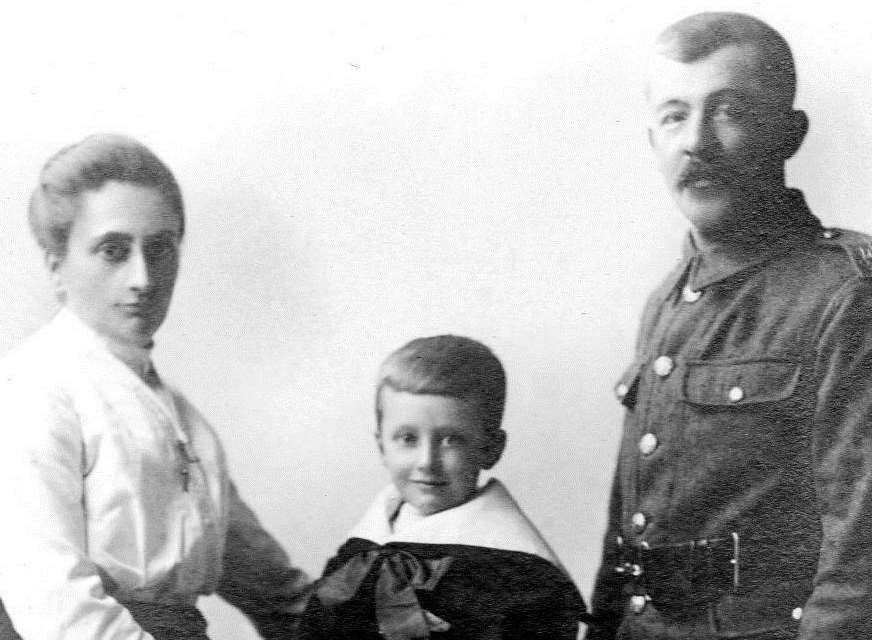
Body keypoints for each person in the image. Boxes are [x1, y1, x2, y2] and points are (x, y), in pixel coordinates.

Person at [587, 11, 872, 640]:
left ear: (789, 134)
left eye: (728, 111)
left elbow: (861, 563)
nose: (696, 141)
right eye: (673, 116)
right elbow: (626, 539)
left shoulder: (847, 294)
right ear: (651, 139)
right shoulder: (666, 300)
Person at [0, 133, 310, 639]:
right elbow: (56, 606)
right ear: (57, 263)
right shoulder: (32, 391)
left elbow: (271, 586)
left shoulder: (177, 419)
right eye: (113, 251)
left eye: (160, 248)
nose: (143, 277)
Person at [298, 335, 587, 639]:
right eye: (408, 438)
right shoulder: (363, 547)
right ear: (381, 445)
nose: (427, 462)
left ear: (491, 448)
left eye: (451, 440)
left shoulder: (520, 576)